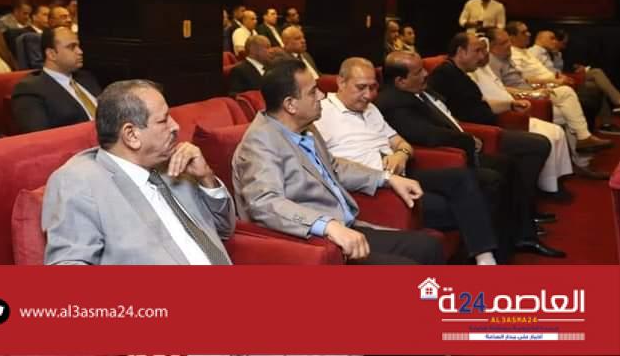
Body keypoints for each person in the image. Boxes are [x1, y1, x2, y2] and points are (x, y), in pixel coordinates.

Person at [232, 58, 445, 265]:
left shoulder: (305, 126)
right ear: (290, 105)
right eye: (313, 91)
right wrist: (328, 226)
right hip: (313, 243)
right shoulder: (260, 142)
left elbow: (334, 167)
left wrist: (387, 178)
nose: (322, 95)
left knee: (429, 246)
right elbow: (264, 203)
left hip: (345, 228)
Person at [377, 51, 565, 258]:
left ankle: (522, 234)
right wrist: (466, 140)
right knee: (493, 178)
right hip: (441, 160)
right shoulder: (394, 102)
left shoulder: (417, 90)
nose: (425, 74)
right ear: (400, 81)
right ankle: (501, 247)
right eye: (418, 72)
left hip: (458, 150)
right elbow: (426, 135)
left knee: (508, 164)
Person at [314, 57, 498, 264]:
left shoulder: (371, 109)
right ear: (341, 82)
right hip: (374, 186)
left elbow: (402, 143)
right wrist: (380, 174)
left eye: (373, 87)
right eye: (361, 87)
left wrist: (400, 154)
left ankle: (485, 258)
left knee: (463, 178)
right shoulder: (322, 114)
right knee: (460, 204)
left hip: (402, 173)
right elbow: (326, 164)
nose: (368, 95)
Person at [43, 79, 235, 265]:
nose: (175, 126)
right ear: (131, 135)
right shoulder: (79, 180)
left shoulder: (173, 162)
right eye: (163, 120)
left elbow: (224, 229)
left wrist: (206, 178)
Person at [438, 33, 573, 196]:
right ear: (461, 52)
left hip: (490, 126)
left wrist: (511, 104)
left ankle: (528, 196)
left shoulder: (461, 73)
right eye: (477, 51)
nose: (481, 56)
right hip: (481, 132)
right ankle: (524, 198)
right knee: (539, 144)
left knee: (542, 140)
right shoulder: (445, 74)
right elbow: (446, 115)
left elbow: (482, 104)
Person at [492, 23, 612, 153]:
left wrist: (546, 84)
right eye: (504, 43)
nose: (508, 45)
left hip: (534, 90)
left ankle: (583, 143)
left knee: (571, 97)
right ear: (491, 46)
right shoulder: (497, 61)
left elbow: (525, 79)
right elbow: (503, 89)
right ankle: (582, 144)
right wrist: (541, 87)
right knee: (570, 108)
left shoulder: (514, 55)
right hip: (524, 99)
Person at [12, 27, 101, 133]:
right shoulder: (30, 89)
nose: (80, 52)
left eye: (78, 46)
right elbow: (40, 137)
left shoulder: (86, 77)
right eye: (71, 47)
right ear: (51, 54)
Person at [530, 29, 620, 131]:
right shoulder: (533, 53)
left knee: (598, 84)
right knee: (596, 73)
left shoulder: (554, 53)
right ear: (540, 38)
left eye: (555, 39)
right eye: (552, 38)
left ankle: (606, 123)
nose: (555, 41)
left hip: (563, 79)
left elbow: (559, 70)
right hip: (554, 83)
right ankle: (617, 102)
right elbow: (539, 75)